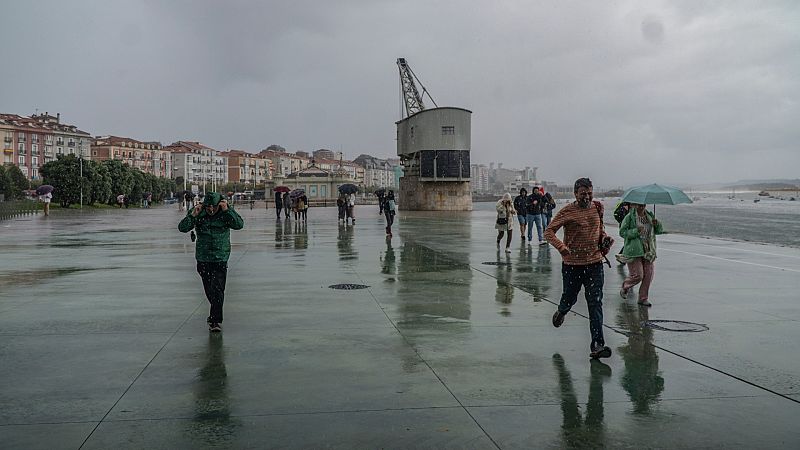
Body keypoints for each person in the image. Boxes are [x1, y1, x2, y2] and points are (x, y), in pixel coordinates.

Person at [545, 177, 613, 359]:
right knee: (569, 298)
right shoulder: (567, 211)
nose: (587, 197)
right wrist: (561, 247)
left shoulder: (597, 207)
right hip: (572, 266)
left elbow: (600, 230)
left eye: (590, 193)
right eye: (583, 194)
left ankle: (597, 345)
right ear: (575, 194)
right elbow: (549, 231)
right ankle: (562, 310)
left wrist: (605, 238)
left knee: (595, 303)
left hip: (595, 264)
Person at [178, 192, 244, 332]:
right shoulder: (199, 213)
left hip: (220, 257)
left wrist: (228, 210)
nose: (211, 210)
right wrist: (193, 215)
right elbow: (182, 228)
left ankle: (215, 321)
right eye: (208, 207)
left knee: (218, 290)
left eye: (214, 207)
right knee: (210, 289)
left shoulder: (225, 213)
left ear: (220, 204)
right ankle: (214, 315)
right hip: (203, 257)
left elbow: (239, 225)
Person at [619, 203, 664, 307]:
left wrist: (657, 224)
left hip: (648, 249)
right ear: (634, 205)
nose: (641, 207)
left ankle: (643, 298)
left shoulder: (650, 216)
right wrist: (635, 231)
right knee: (638, 275)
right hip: (634, 250)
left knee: (648, 275)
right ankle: (625, 286)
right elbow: (622, 232)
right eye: (638, 205)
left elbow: (658, 231)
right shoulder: (629, 217)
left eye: (643, 205)